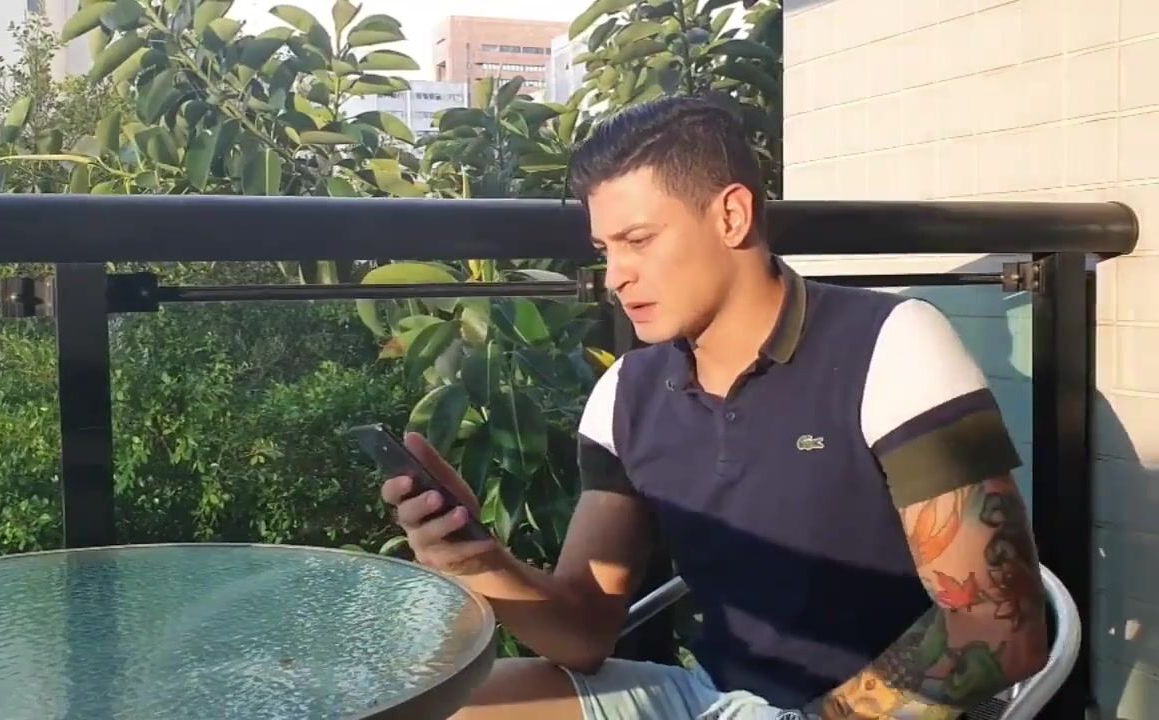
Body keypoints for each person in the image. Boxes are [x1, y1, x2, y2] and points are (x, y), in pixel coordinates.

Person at [380, 95, 1050, 720]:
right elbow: (583, 631)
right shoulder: (628, 393)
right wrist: (475, 558)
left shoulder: (891, 346)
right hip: (709, 699)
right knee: (435, 707)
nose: (614, 277)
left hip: (866, 710)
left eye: (639, 240)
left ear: (731, 215)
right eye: (605, 250)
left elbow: (999, 629)